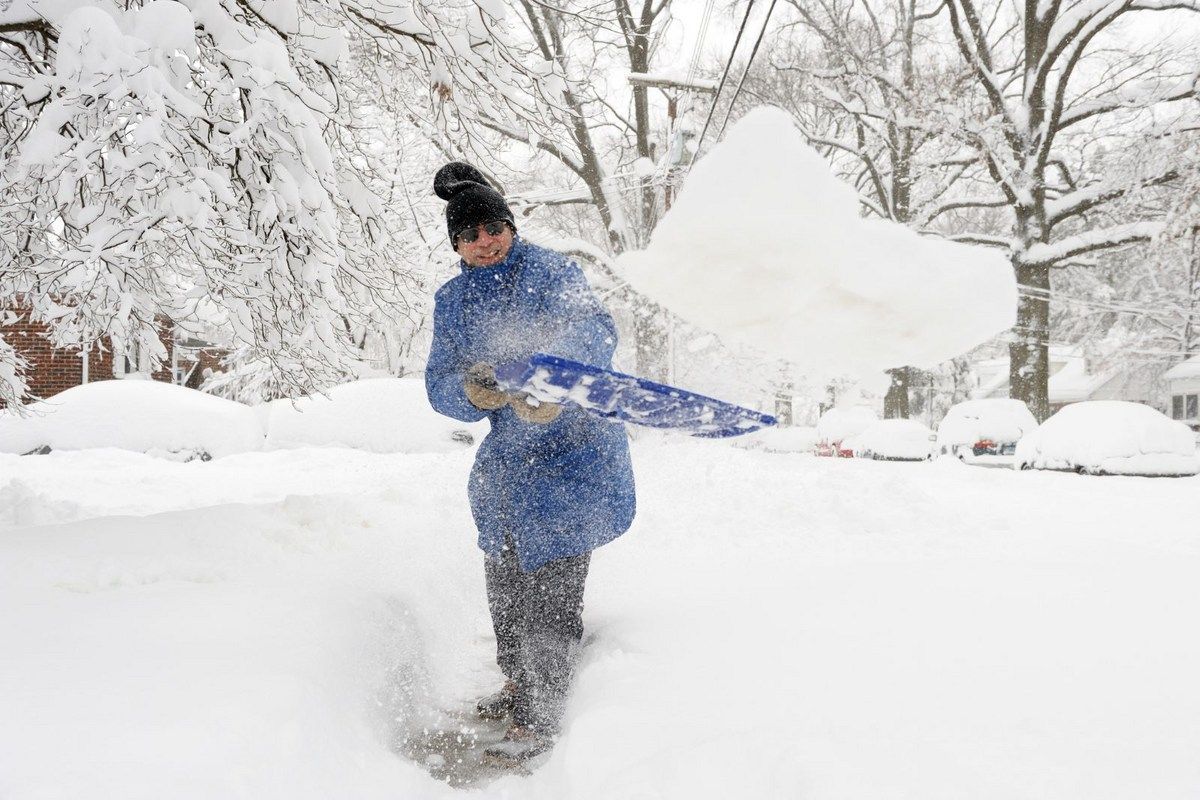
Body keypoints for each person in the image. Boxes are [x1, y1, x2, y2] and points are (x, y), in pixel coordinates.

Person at [424, 162, 637, 765]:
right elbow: (439, 382)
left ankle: (541, 720)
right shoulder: (453, 300)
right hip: (509, 465)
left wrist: (554, 381)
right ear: (456, 246)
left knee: (551, 593)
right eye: (468, 236)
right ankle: (519, 684)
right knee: (506, 583)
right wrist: (473, 391)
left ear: (509, 226)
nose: (483, 242)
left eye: (491, 228)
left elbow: (595, 333)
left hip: (576, 456)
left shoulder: (551, 271)